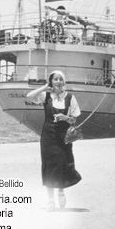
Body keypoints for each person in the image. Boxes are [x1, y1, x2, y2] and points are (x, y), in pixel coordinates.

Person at [26, 70, 82, 211]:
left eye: (60, 79)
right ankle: (50, 200)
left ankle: (61, 191)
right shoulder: (46, 96)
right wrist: (45, 87)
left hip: (63, 136)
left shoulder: (70, 97)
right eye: (55, 79)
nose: (57, 81)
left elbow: (74, 119)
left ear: (64, 82)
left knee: (63, 164)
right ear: (51, 81)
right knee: (49, 166)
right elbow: (29, 96)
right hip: (48, 136)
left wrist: (65, 118)